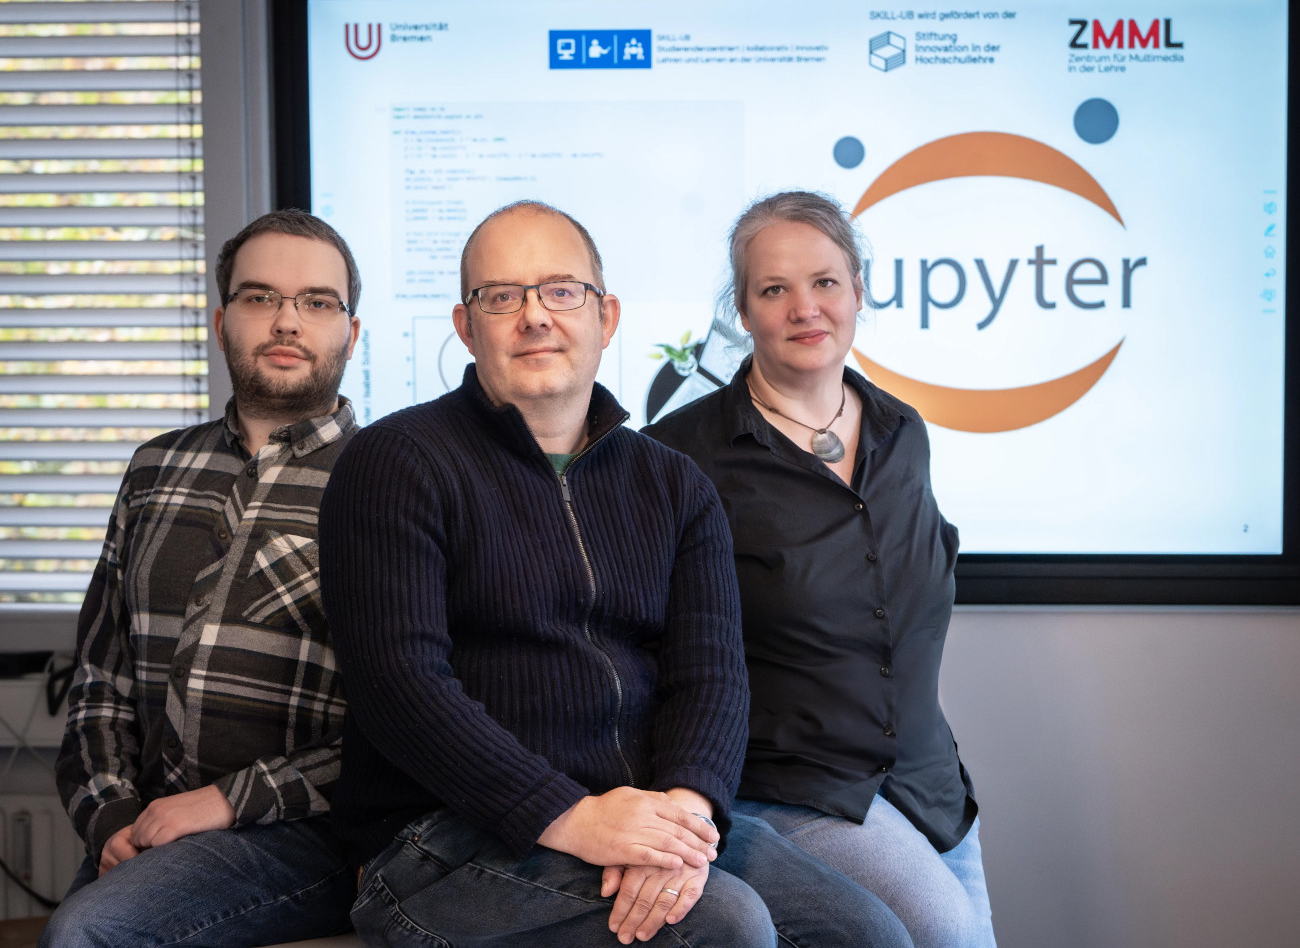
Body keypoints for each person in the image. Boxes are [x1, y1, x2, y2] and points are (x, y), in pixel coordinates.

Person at [317, 200, 912, 948]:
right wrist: (578, 818)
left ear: (608, 316)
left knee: (867, 934)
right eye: (502, 296)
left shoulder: (673, 483)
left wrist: (685, 821)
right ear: (467, 327)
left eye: (562, 290)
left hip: (638, 811)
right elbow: (399, 686)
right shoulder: (395, 461)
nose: (536, 316)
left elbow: (712, 678)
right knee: (727, 928)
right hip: (441, 839)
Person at [645, 190, 996, 948]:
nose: (805, 307)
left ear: (859, 291)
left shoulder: (905, 433)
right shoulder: (682, 455)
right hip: (793, 788)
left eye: (825, 282)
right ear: (742, 310)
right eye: (774, 289)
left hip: (927, 782)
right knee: (944, 937)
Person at [41, 210, 364, 948]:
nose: (287, 320)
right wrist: (112, 816)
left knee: (86, 935)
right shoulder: (155, 469)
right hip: (149, 826)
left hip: (305, 833)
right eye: (260, 297)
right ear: (222, 321)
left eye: (317, 301)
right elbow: (99, 679)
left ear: (352, 331)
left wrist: (228, 799)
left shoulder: (389, 480)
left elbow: (405, 723)